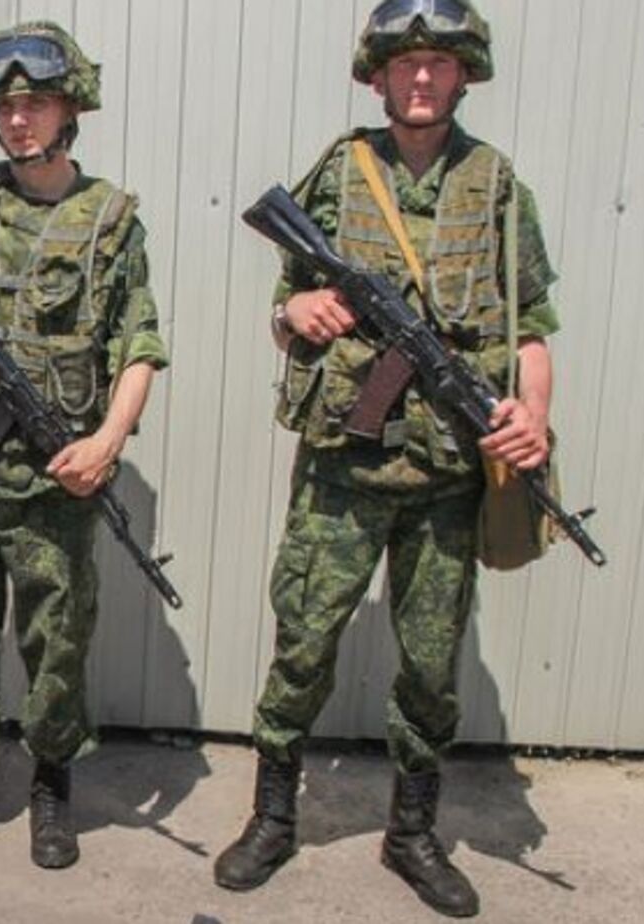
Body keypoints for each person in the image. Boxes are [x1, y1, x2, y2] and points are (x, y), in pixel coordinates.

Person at [212, 2, 560, 917]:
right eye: (405, 64)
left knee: (430, 666)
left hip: (448, 481)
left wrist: (534, 420)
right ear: (377, 76)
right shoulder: (339, 169)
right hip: (343, 472)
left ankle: (412, 834)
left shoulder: (495, 186)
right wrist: (299, 316)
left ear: (464, 75)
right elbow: (283, 308)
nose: (420, 79)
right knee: (304, 643)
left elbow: (534, 329)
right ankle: (274, 817)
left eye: (439, 65)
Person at [0, 21, 168, 870]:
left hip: (57, 482)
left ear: (69, 111)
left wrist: (108, 442)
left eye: (37, 103)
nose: (19, 121)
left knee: (57, 641)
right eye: (7, 106)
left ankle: (52, 784)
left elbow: (142, 346)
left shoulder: (110, 221)